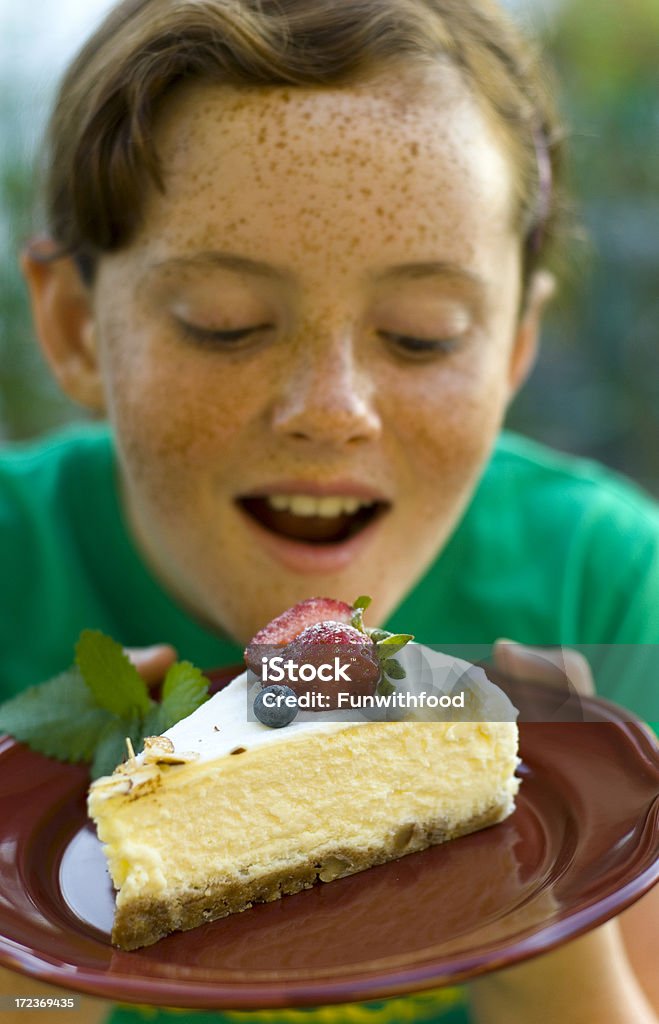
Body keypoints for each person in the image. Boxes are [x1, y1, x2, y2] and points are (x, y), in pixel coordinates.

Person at [0, 1, 657, 1022]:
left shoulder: (607, 587)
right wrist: (32, 989)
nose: (330, 409)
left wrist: (548, 933)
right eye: (225, 324)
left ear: (514, 350)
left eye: (421, 334)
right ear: (77, 327)